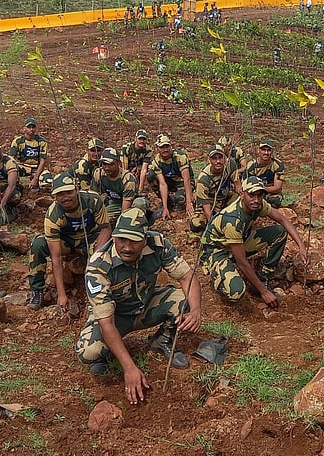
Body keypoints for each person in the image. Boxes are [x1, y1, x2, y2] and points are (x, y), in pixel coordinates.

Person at [76, 205, 202, 403]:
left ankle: (162, 340)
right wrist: (130, 368)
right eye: (121, 239)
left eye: (134, 240)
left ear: (145, 239)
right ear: (114, 237)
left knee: (184, 302)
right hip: (116, 316)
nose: (127, 247)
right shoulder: (98, 266)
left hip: (146, 305)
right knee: (88, 351)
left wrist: (195, 311)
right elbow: (106, 323)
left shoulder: (158, 243)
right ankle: (106, 356)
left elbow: (187, 276)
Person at [200, 177, 308, 306]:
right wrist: (263, 292)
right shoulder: (232, 219)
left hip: (239, 242)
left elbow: (282, 219)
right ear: (242, 194)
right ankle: (218, 275)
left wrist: (301, 246)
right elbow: (242, 262)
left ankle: (263, 276)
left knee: (279, 232)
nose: (256, 200)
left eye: (259, 195)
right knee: (236, 292)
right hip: (217, 250)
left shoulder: (258, 205)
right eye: (251, 195)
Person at [28, 172, 111, 310]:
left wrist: (97, 254)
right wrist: (61, 294)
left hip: (89, 239)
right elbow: (56, 257)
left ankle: (106, 288)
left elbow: (106, 228)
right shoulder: (53, 215)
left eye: (69, 192)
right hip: (66, 242)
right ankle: (37, 290)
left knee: (109, 249)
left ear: (76, 189)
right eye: (60, 194)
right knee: (38, 244)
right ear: (55, 196)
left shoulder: (93, 200)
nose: (65, 197)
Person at [191, 144, 240, 234]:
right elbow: (206, 209)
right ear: (209, 160)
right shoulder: (203, 179)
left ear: (225, 157)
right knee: (196, 224)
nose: (218, 161)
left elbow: (238, 186)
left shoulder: (230, 165)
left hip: (225, 198)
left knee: (240, 199)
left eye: (220, 157)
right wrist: (216, 225)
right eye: (214, 158)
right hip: (210, 203)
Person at [147, 134, 194, 218]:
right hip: (169, 181)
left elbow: (187, 179)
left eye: (167, 146)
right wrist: (165, 207)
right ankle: (167, 203)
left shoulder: (180, 156)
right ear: (157, 148)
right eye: (162, 147)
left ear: (171, 146)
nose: (165, 150)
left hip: (182, 182)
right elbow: (162, 184)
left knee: (180, 199)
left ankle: (184, 200)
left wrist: (189, 202)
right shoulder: (156, 161)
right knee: (151, 176)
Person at [91, 148, 138, 226]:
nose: (106, 168)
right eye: (104, 164)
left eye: (110, 164)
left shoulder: (127, 179)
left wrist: (121, 225)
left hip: (131, 203)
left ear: (118, 163)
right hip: (115, 203)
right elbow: (93, 196)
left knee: (138, 206)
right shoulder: (98, 173)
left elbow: (126, 207)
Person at [9, 117, 51, 191]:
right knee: (12, 176)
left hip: (37, 168)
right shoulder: (18, 141)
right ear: (24, 129)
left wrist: (36, 177)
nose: (31, 129)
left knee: (48, 182)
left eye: (33, 127)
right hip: (23, 167)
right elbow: (11, 159)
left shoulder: (42, 142)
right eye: (29, 127)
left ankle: (35, 183)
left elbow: (43, 161)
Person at [241, 138, 286, 208]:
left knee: (276, 201)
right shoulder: (251, 165)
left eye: (268, 150)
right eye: (263, 150)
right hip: (254, 193)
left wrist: (262, 189)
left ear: (272, 151)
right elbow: (244, 185)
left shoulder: (278, 165)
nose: (266, 153)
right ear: (258, 151)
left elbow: (277, 188)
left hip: (270, 193)